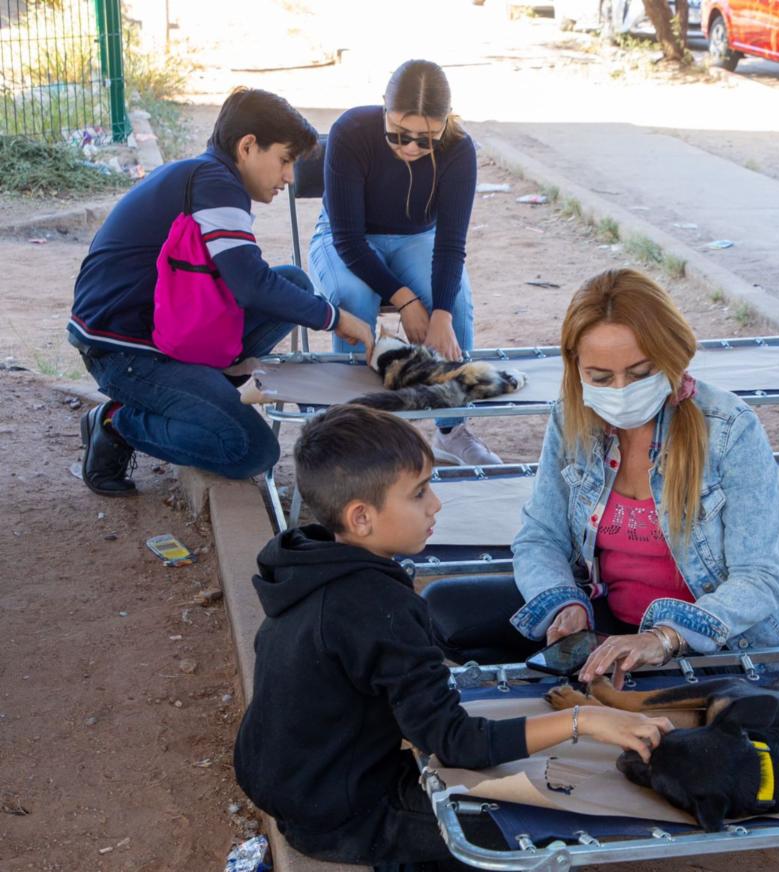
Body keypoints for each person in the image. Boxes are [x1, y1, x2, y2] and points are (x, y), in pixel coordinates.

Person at [233, 404, 671, 870]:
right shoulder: (376, 607)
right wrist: (585, 720)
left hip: (301, 783)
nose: (435, 504)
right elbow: (455, 742)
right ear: (361, 517)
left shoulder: (309, 567)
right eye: (419, 493)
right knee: (529, 834)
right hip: (347, 812)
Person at [423, 268, 779, 685]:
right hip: (616, 620)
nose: (619, 390)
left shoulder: (729, 427)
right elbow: (540, 537)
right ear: (575, 366)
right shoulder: (571, 418)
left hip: (726, 640)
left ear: (671, 356)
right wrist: (566, 605)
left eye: (640, 373)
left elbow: (759, 577)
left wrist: (665, 637)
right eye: (600, 378)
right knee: (443, 606)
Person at [69, 87, 374, 496]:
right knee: (250, 450)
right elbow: (250, 285)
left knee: (295, 284)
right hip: (124, 351)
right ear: (247, 146)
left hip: (158, 329)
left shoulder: (207, 175)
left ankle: (207, 386)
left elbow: (252, 282)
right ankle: (116, 422)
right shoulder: (216, 183)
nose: (289, 176)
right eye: (284, 160)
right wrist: (336, 318)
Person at [309, 59, 499, 466]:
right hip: (346, 237)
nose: (411, 147)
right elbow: (347, 239)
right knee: (350, 294)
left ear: (445, 123)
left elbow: (450, 245)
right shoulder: (351, 131)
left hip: (417, 238)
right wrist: (407, 302)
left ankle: (451, 428)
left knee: (456, 304)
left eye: (425, 139)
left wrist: (441, 313)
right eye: (398, 134)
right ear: (383, 108)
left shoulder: (459, 149)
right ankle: (355, 429)